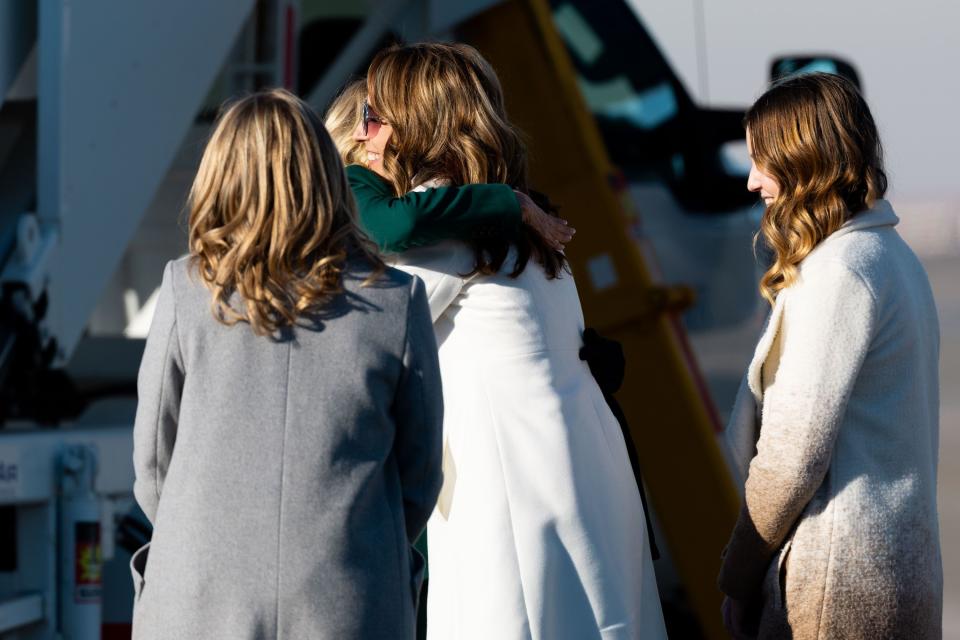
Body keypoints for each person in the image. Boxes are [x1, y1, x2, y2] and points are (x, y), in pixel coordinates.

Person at [337, 42, 666, 640]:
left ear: (411, 126)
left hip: (515, 495)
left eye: (373, 117)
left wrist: (348, 176)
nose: (364, 134)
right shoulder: (519, 219)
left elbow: (355, 341)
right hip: (584, 469)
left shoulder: (442, 230)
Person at [130, 89, 443, 640]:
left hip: (200, 597)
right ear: (327, 176)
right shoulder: (397, 300)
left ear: (220, 176)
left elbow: (155, 467)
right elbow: (418, 478)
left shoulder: (186, 291)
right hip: (349, 597)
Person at [719, 72, 942, 639]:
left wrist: (737, 576)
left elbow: (792, 458)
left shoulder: (840, 273)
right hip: (895, 568)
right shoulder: (892, 256)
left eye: (762, 161)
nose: (751, 182)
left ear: (802, 161)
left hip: (837, 583)